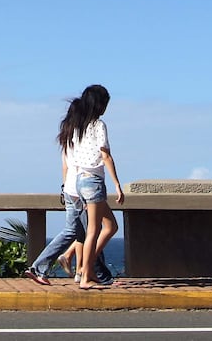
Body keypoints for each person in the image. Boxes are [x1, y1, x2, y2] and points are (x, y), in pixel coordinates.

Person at [22, 92, 115, 286]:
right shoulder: (86, 132)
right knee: (88, 231)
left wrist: (65, 189)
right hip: (84, 186)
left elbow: (65, 166)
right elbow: (102, 156)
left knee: (78, 231)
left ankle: (78, 270)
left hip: (72, 188)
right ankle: (83, 272)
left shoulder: (69, 136)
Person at [65, 84, 123, 289]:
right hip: (93, 181)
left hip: (80, 180)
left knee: (110, 226)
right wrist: (117, 184)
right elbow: (105, 155)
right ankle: (86, 276)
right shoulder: (98, 125)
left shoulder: (78, 125)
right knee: (94, 230)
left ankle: (86, 269)